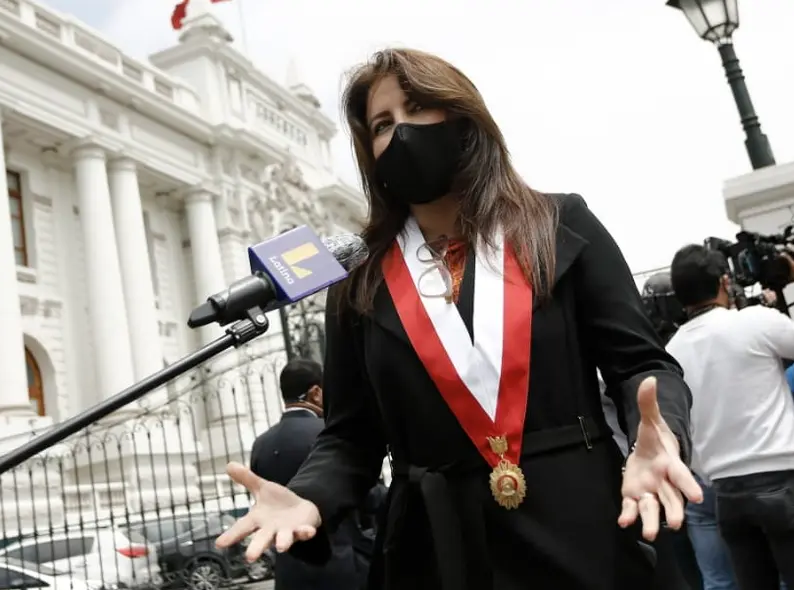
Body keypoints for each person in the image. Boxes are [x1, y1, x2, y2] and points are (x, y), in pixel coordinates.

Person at [215, 47, 701, 590]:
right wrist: (309, 496)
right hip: (436, 550)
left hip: (585, 527)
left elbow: (641, 364)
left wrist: (660, 435)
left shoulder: (558, 223)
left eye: (417, 108)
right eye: (381, 125)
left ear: (462, 116)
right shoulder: (360, 278)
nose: (400, 132)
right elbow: (350, 437)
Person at [665, 245, 794, 590]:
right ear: (723, 281)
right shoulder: (754, 321)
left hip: (726, 494)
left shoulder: (671, 353)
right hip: (785, 479)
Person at [249, 359, 365, 590]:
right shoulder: (330, 436)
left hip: (289, 574)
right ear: (316, 393)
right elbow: (365, 497)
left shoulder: (260, 445)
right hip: (341, 567)